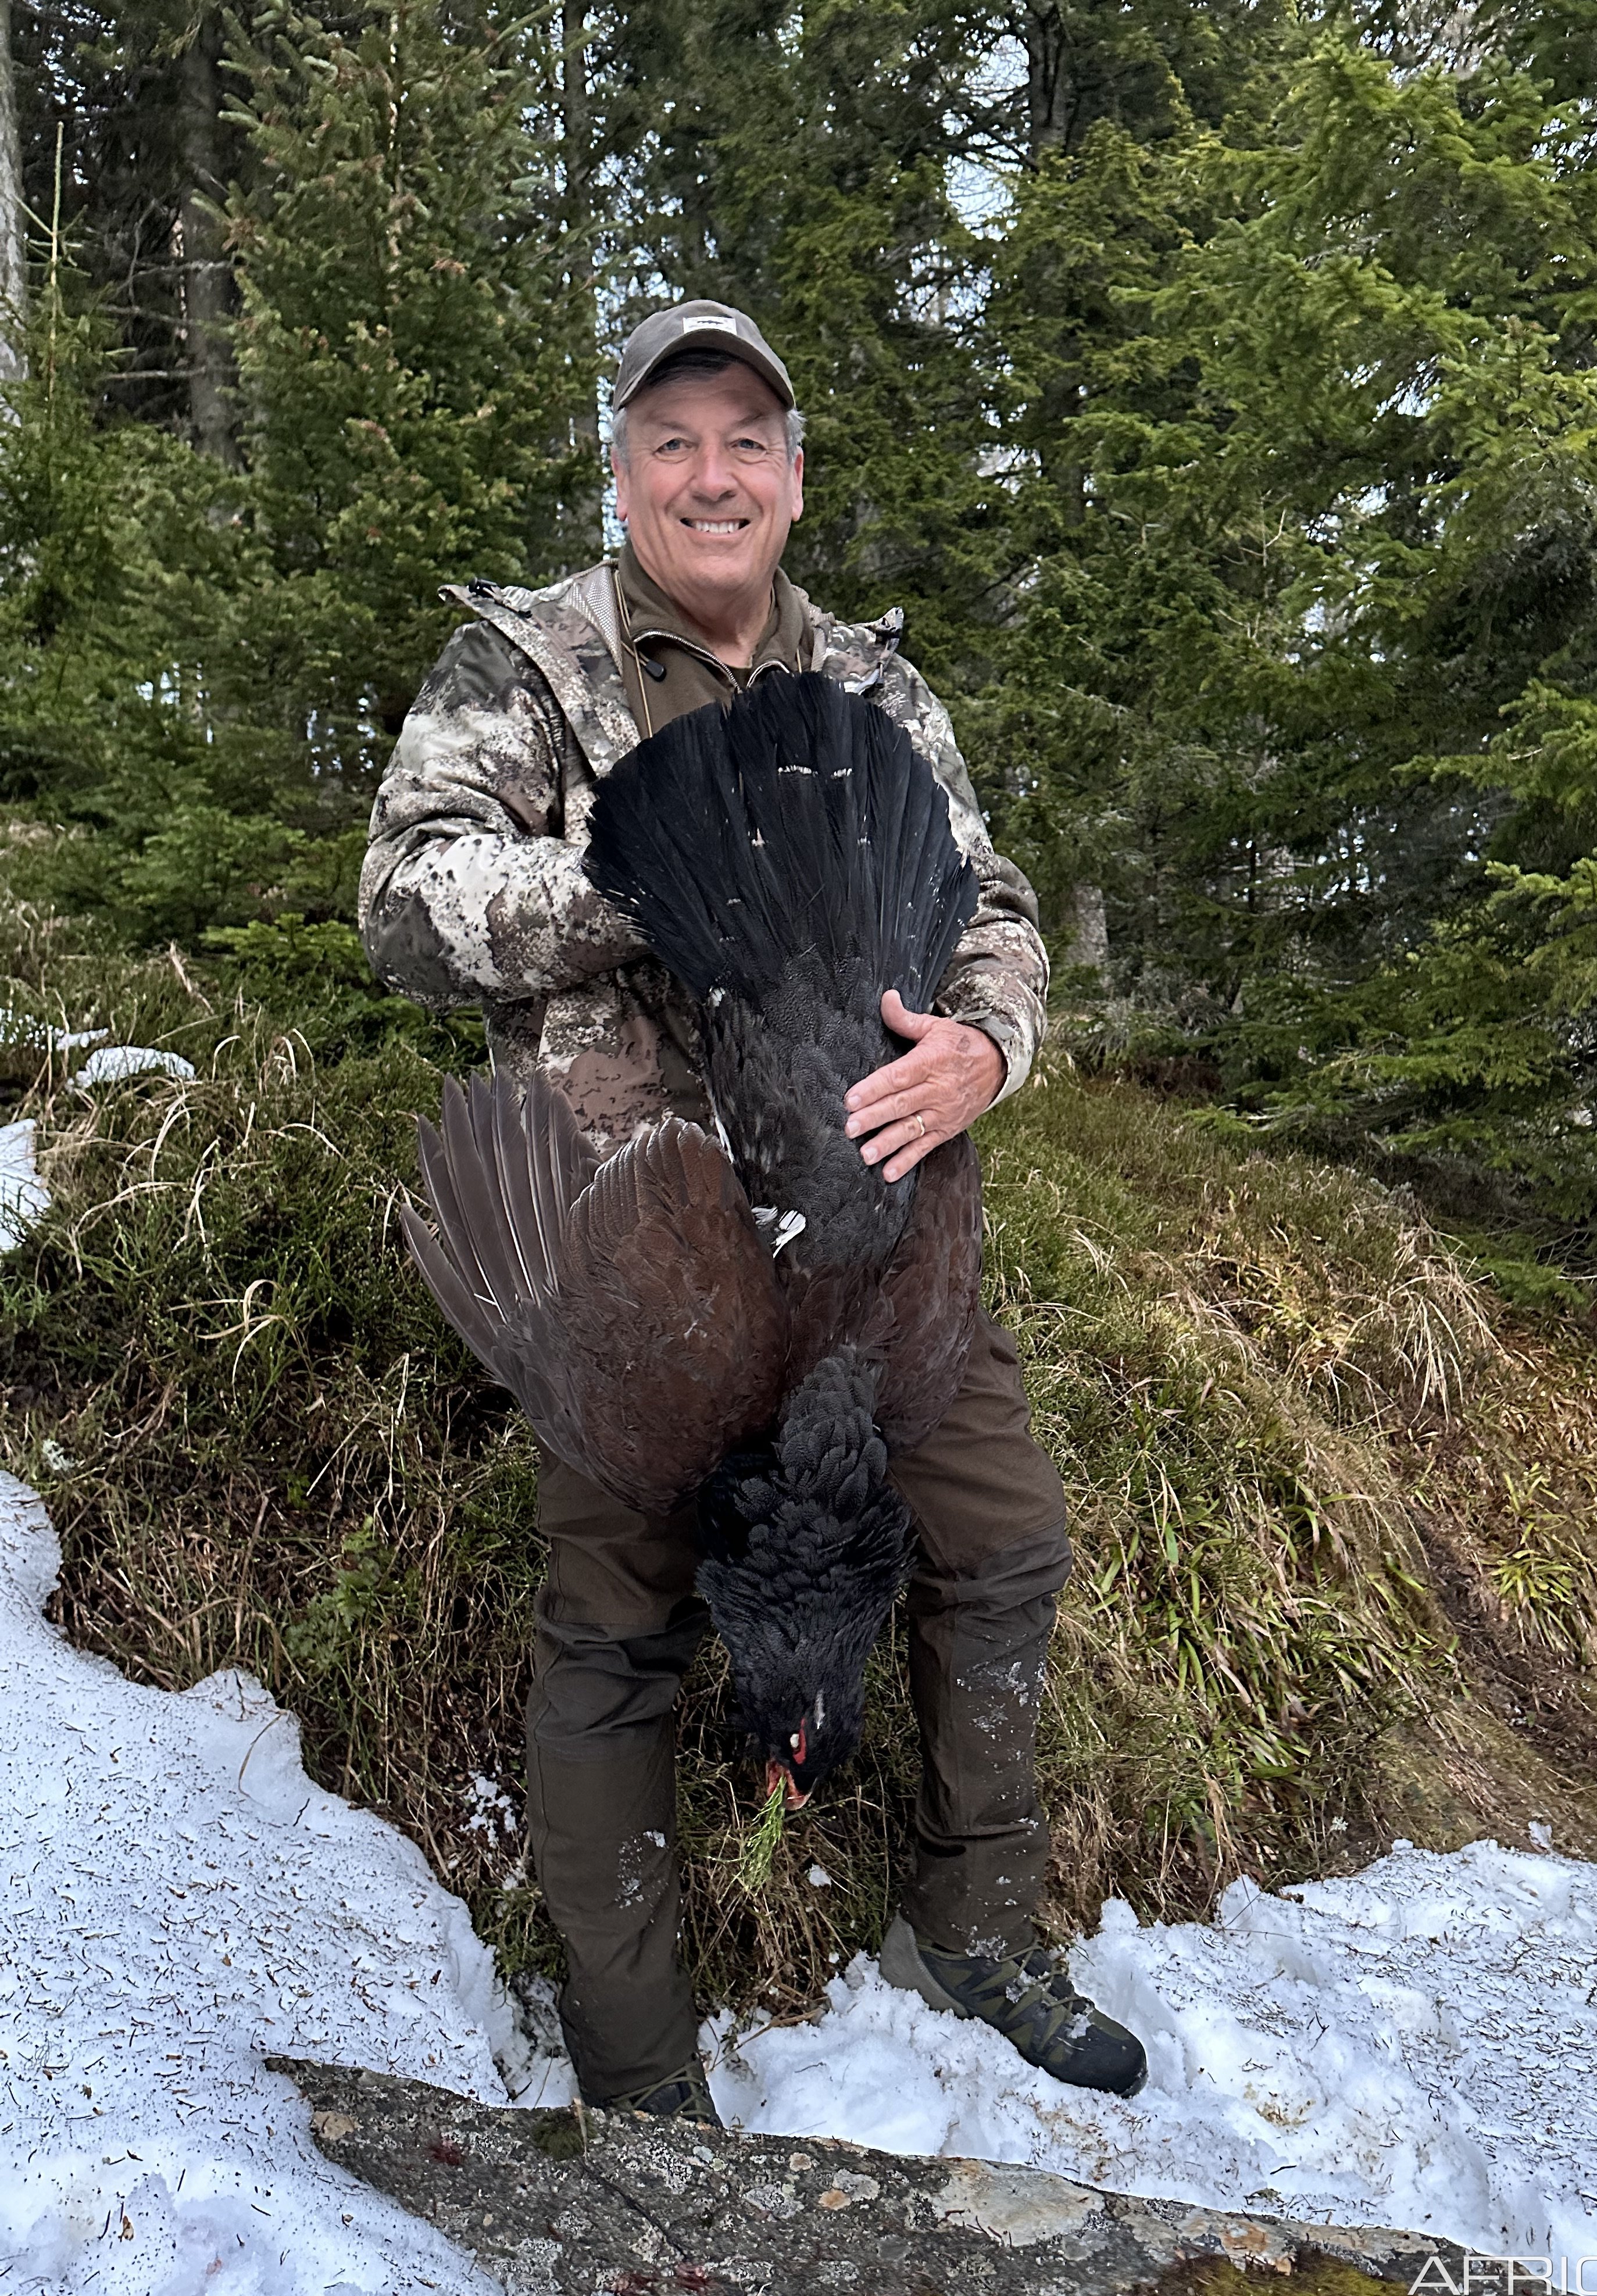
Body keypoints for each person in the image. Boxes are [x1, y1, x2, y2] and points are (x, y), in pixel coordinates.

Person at [359, 298, 1148, 2122]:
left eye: (747, 444)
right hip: (644, 1244)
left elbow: (993, 907)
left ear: (791, 482)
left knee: (1006, 1534)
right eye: (673, 441)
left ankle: (981, 1923)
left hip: (879, 1216)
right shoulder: (526, 662)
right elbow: (409, 900)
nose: (711, 476)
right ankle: (640, 2074)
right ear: (623, 473)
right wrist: (638, 884)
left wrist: (990, 1051)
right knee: (616, 1631)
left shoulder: (874, 685)